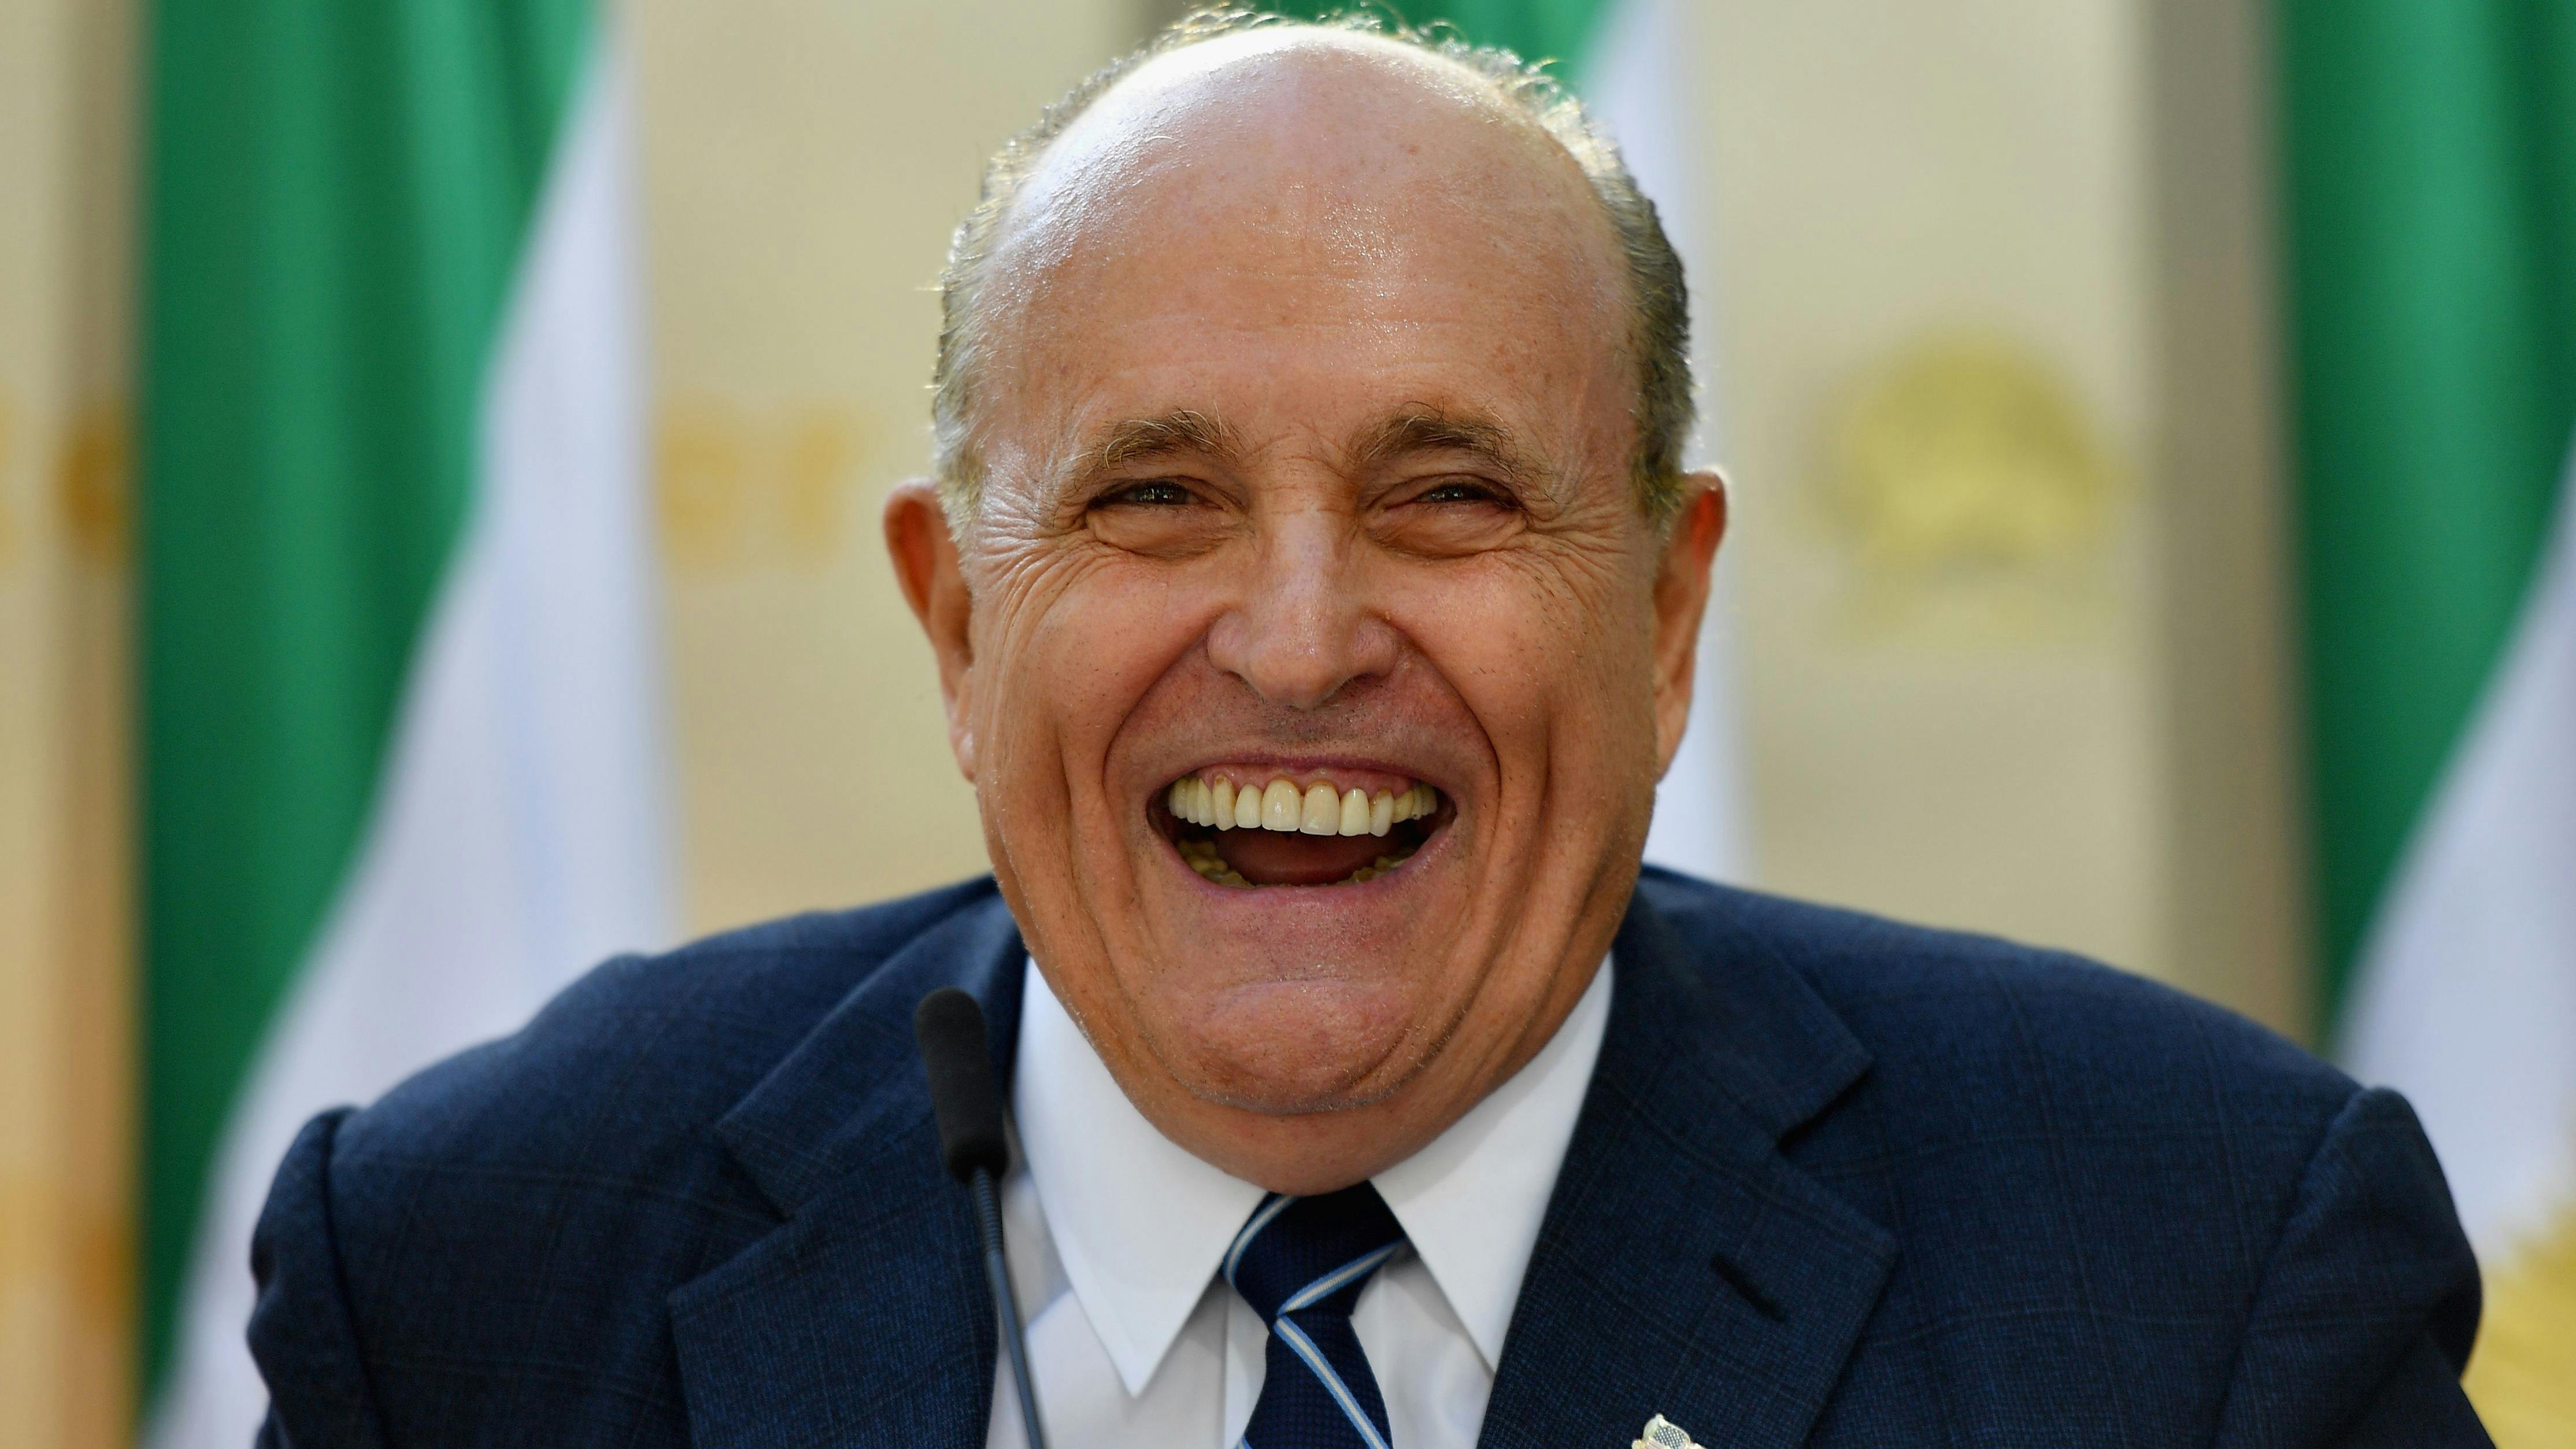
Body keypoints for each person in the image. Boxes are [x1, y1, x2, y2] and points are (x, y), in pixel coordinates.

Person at [248, 11, 2490, 1448]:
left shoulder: (2193, 1280)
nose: (1303, 642)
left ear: (1665, 611)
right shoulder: (473, 1270)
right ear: (956, 624)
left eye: (1451, 497)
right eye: (1155, 497)